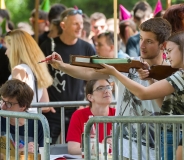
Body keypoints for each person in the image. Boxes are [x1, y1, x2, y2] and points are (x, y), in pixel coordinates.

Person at [45, 17, 172, 160]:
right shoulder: (127, 64)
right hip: (123, 148)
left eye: (149, 41)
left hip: (156, 148)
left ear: (163, 45)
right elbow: (89, 73)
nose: (141, 45)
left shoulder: (172, 72)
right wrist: (62, 66)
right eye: (141, 38)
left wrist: (151, 78)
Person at [96, 31, 184, 160]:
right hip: (178, 134)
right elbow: (163, 106)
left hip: (178, 135)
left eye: (170, 51)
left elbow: (143, 94)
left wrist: (115, 73)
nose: (167, 56)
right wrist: (150, 79)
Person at [40, 8, 96, 144]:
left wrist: (86, 103)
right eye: (75, 23)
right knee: (47, 147)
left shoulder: (87, 48)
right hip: (52, 110)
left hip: (77, 109)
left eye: (81, 23)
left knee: (76, 149)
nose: (80, 27)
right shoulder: (49, 46)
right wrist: (45, 101)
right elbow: (39, 74)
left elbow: (94, 78)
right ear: (63, 25)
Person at [4, 29, 53, 113]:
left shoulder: (19, 70)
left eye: (8, 48)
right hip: (33, 121)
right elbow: (45, 105)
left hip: (18, 123)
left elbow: (14, 102)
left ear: (15, 50)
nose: (5, 52)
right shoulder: (37, 70)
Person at [66, 79, 115, 155]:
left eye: (108, 87)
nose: (106, 91)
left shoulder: (118, 114)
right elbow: (72, 149)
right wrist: (99, 147)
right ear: (90, 97)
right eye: (100, 88)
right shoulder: (78, 115)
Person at [0, 79, 44, 152]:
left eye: (8, 104)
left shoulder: (37, 123)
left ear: (23, 106)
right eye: (2, 101)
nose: (3, 107)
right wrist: (22, 151)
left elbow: (43, 153)